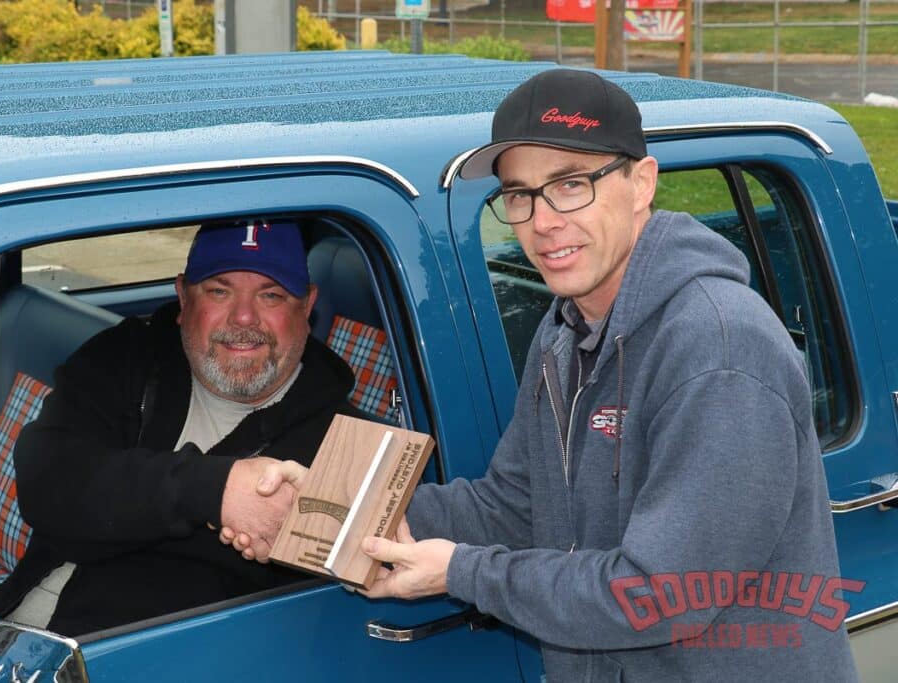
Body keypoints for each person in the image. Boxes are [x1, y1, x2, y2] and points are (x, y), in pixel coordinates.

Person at [233, 70, 859, 681]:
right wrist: (325, 503)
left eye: (570, 184)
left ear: (642, 184)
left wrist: (462, 573)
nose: (542, 220)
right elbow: (514, 507)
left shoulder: (719, 351)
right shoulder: (563, 333)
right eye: (519, 195)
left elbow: (661, 596)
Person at [0, 219, 362, 636]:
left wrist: (125, 494)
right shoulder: (127, 356)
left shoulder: (343, 447)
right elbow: (45, 480)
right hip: (7, 624)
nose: (243, 316)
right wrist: (213, 491)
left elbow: (305, 623)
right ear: (183, 297)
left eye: (271, 295)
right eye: (220, 290)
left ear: (306, 307)